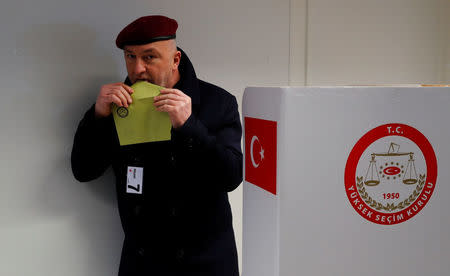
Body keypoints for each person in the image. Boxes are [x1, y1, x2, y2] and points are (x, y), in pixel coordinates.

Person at [71, 15, 242, 276]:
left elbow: (231, 176)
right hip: (143, 262)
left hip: (205, 261)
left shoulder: (217, 102)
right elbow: (84, 170)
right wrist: (97, 118)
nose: (137, 68)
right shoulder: (117, 106)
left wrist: (189, 125)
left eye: (149, 57)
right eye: (130, 56)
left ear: (175, 60)